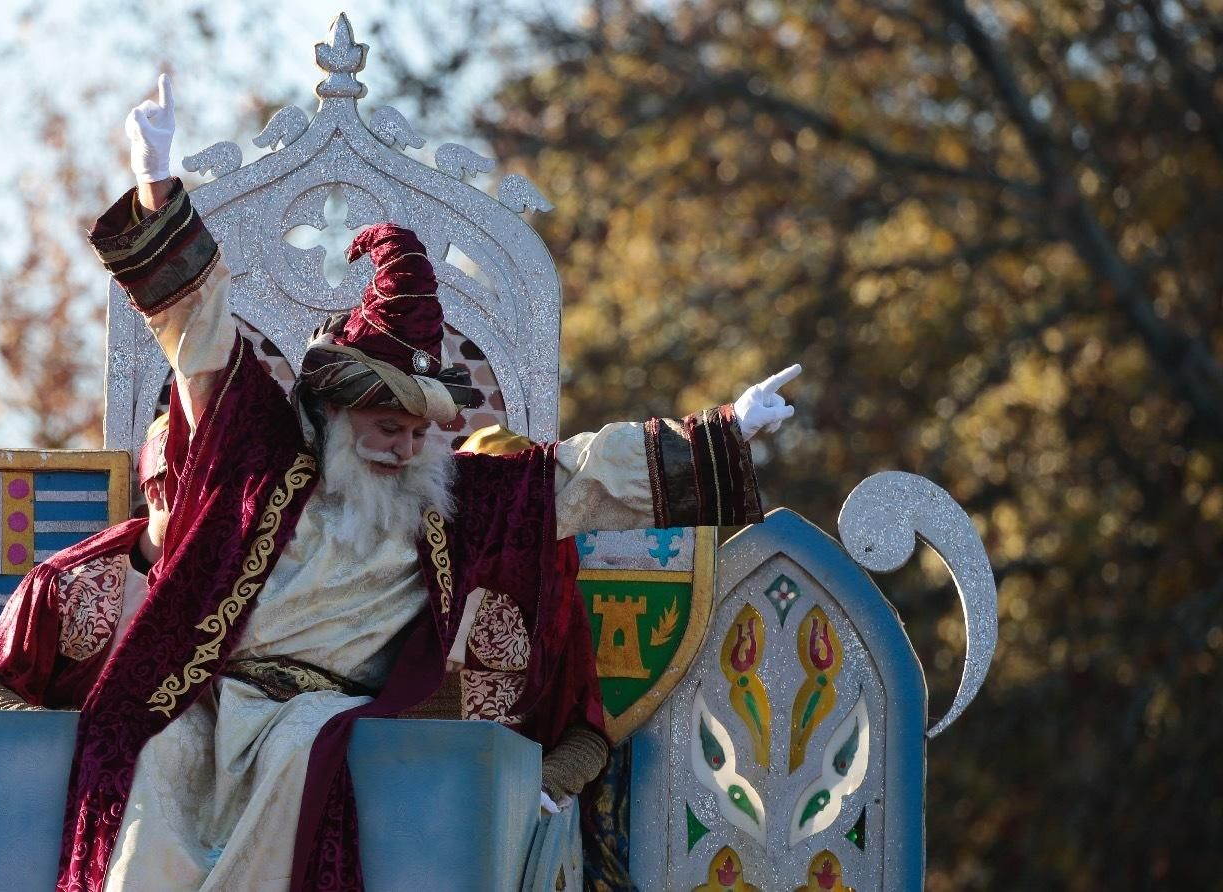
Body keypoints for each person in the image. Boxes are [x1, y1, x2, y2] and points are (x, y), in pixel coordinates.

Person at [50, 73, 802, 892]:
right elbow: (200, 330)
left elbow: (582, 475)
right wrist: (157, 179)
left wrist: (725, 426)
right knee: (151, 765)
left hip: (324, 716)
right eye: (384, 426)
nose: (402, 447)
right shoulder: (258, 451)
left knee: (302, 756)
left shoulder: (456, 502)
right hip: (210, 696)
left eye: (415, 431)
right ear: (335, 412)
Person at [0, 414, 172, 711]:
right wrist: (50, 730)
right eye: (198, 486)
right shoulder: (66, 583)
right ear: (156, 492)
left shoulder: (250, 584)